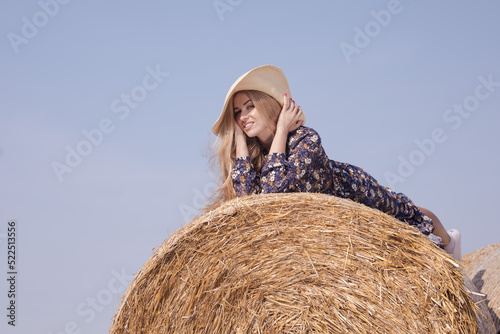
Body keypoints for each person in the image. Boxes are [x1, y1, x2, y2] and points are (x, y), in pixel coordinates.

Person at [210, 65, 461, 262]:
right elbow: (250, 205)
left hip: (354, 192)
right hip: (325, 224)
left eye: (249, 107)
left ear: (266, 105)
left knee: (406, 213)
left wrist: (283, 130)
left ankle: (450, 244)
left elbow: (276, 195)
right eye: (237, 113)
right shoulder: (254, 158)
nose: (243, 117)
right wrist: (240, 142)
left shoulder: (305, 138)